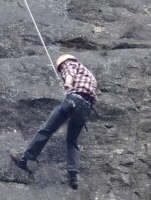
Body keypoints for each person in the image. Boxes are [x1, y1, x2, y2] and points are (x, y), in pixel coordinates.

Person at [10, 54, 97, 189]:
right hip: (85, 108)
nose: (61, 71)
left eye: (60, 69)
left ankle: (24, 159)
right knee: (72, 141)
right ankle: (73, 176)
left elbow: (69, 72)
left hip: (73, 101)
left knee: (47, 129)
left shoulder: (70, 64)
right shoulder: (89, 75)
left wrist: (68, 83)